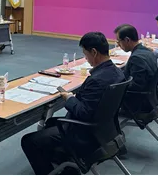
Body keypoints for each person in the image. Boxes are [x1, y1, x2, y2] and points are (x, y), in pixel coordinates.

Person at [21, 32, 125, 175]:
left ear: (94, 52)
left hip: (86, 133)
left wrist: (70, 98)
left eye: (85, 54)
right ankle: (65, 164)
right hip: (106, 129)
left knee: (29, 141)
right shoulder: (118, 73)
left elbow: (83, 113)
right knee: (50, 123)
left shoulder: (97, 80)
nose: (86, 58)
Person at [116, 24, 157, 113]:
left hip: (138, 102)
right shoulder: (147, 51)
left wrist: (115, 87)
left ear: (127, 40)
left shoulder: (136, 58)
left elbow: (136, 86)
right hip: (150, 98)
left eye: (119, 41)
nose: (118, 45)